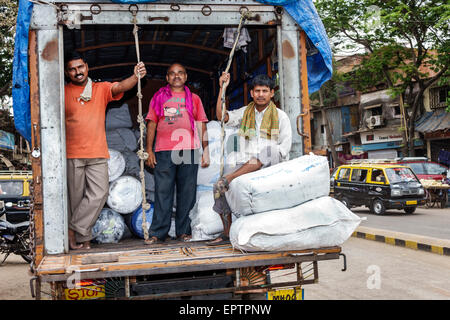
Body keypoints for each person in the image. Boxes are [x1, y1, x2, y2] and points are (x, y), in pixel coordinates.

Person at [64, 52, 147, 250]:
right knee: (75, 199)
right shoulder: (63, 92)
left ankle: (73, 228)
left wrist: (135, 77)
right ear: (67, 73)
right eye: (73, 69)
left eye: (80, 67)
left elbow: (120, 87)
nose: (78, 72)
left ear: (87, 67)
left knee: (100, 193)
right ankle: (82, 238)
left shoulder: (99, 89)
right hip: (72, 154)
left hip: (97, 153)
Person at [206, 72, 292, 245]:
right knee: (218, 186)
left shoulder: (281, 116)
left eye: (265, 91)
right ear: (251, 93)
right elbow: (221, 117)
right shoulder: (246, 112)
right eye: (257, 91)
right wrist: (222, 88)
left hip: (270, 166)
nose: (261, 94)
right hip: (245, 164)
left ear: (271, 93)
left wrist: (262, 159)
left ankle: (230, 178)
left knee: (270, 150)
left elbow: (283, 150)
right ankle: (227, 232)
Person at [145, 63, 210, 244]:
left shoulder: (194, 99)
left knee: (187, 192)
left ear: (186, 77)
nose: (176, 76)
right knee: (162, 192)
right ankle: (158, 233)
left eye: (180, 73)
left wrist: (206, 150)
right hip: (164, 150)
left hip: (189, 150)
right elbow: (151, 123)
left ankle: (184, 231)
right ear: (167, 78)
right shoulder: (159, 98)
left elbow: (201, 125)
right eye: (172, 74)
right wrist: (149, 150)